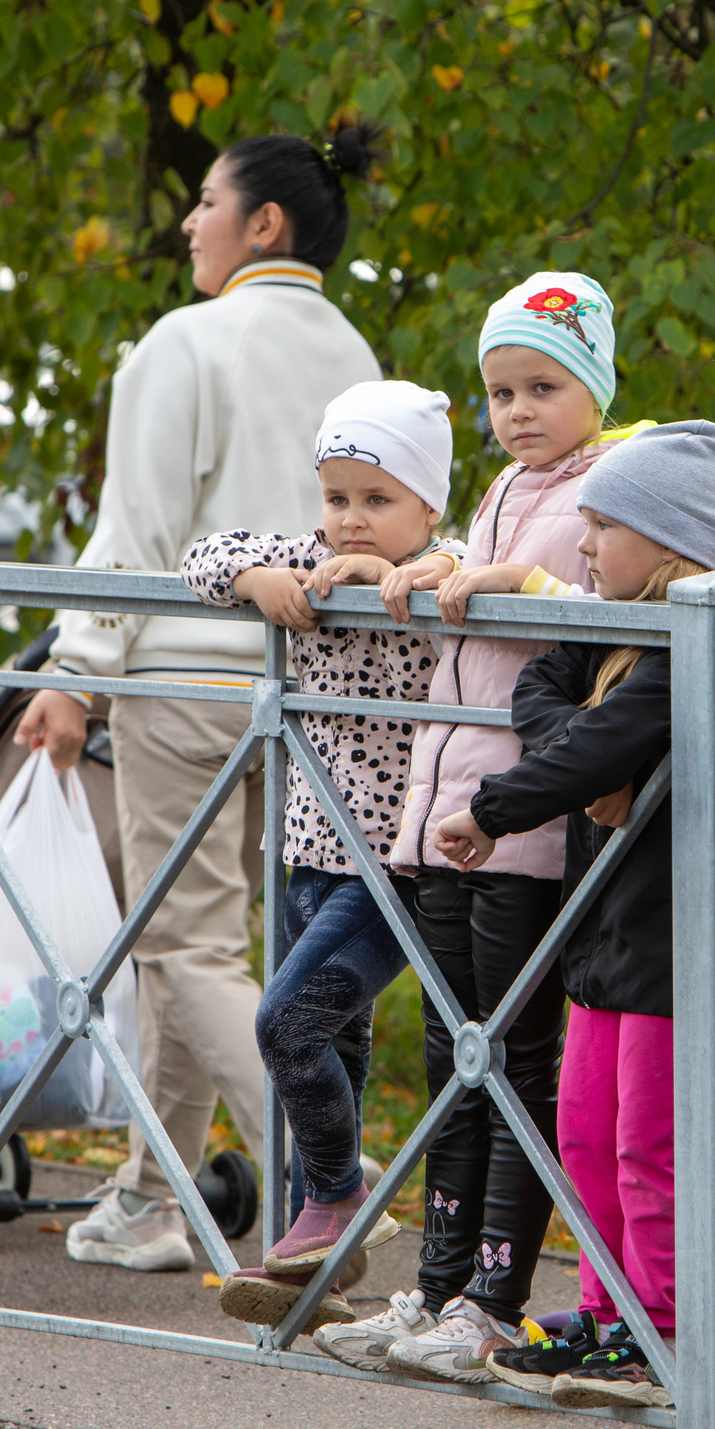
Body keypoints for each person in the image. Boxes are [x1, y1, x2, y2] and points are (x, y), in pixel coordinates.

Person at [12, 126, 385, 1273]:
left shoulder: (185, 340)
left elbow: (136, 532)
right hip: (308, 691)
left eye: (208, 200)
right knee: (199, 946)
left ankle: (334, 1176)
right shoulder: (358, 356)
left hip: (182, 680)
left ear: (263, 223)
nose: (188, 220)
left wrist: (74, 673)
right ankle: (147, 1197)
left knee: (184, 947)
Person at [310, 271, 639, 1381]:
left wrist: (522, 582)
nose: (519, 411)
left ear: (595, 384)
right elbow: (460, 581)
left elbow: (614, 619)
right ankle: (439, 1284)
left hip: (523, 825)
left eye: (544, 386)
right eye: (501, 392)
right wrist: (421, 567)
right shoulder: (504, 486)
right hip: (443, 819)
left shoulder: (608, 486)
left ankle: (495, 1298)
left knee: (510, 1063)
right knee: (457, 1062)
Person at [420, 421, 715, 1410]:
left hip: (672, 937)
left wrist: (497, 806)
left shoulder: (695, 637)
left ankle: (666, 1328)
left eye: (605, 526)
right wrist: (591, 756)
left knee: (647, 1143)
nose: (585, 542)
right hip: (601, 929)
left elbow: (614, 730)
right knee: (582, 1134)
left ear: (669, 540)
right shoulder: (607, 619)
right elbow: (543, 690)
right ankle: (613, 1315)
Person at [178, 380, 466, 1328]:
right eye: (337, 497)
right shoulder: (310, 558)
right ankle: (320, 1263)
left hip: (396, 865)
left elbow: (485, 577)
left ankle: (340, 1194)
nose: (351, 519)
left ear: (429, 505)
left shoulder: (440, 570)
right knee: (333, 1046)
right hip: (307, 847)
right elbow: (201, 555)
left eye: (379, 499)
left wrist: (418, 576)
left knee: (287, 1026)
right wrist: (256, 581)